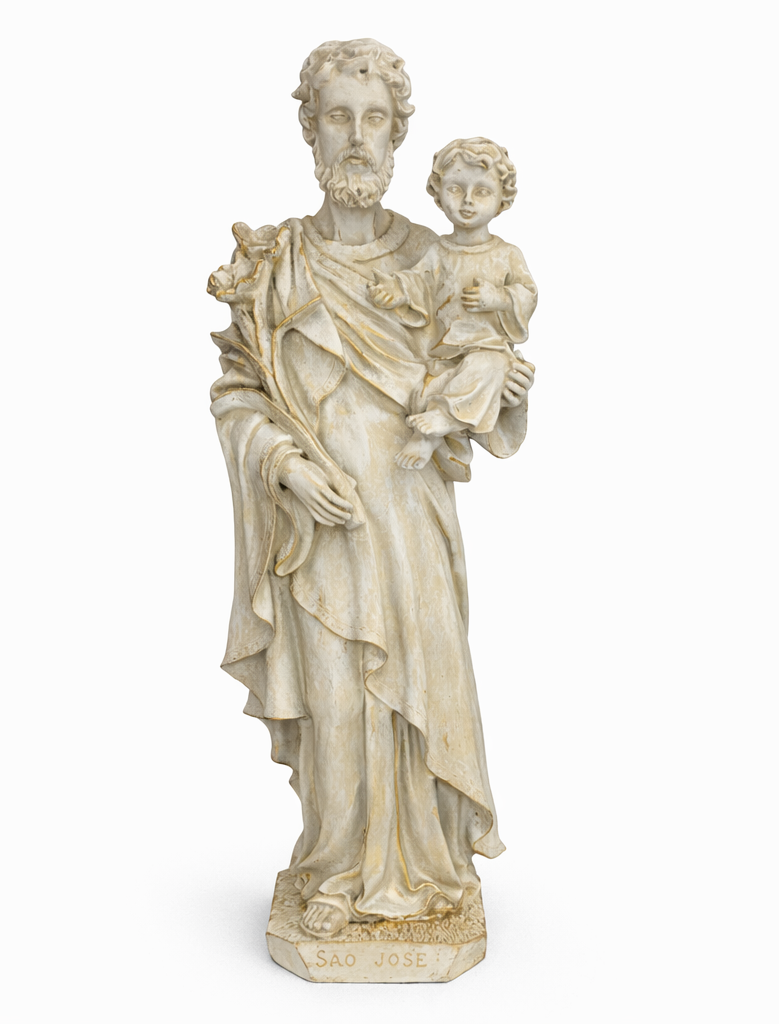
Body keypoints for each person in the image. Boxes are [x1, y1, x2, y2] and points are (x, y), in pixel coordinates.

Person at [208, 39, 535, 938]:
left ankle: (429, 871)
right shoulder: (274, 264)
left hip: (413, 519)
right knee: (339, 701)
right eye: (339, 118)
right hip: (320, 531)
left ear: (398, 137)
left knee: (422, 689)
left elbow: (479, 374)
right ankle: (336, 867)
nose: (357, 138)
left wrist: (503, 387)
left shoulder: (440, 257)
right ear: (309, 130)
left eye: (376, 120)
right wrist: (286, 464)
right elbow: (236, 393)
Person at [368, 138, 537, 470]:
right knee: (434, 384)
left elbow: (528, 294)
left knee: (489, 367)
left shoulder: (506, 254)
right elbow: (419, 281)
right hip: (444, 355)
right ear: (438, 193)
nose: (468, 201)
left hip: (488, 351)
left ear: (502, 199)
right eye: (456, 189)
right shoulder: (439, 252)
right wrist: (398, 290)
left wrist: (500, 298)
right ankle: (435, 428)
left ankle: (440, 423)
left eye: (482, 191)